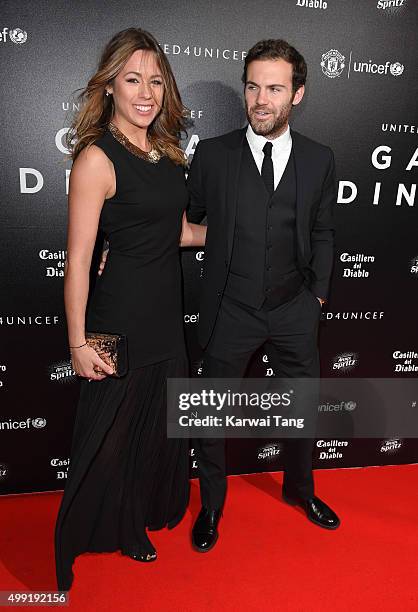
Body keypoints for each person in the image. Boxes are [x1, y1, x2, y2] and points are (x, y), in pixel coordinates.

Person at [55, 27, 205, 591]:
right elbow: (78, 260)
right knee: (111, 433)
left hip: (166, 316)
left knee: (154, 432)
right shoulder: (97, 158)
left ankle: (137, 518)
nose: (146, 92)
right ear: (110, 86)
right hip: (116, 317)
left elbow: (178, 232)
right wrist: (78, 341)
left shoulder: (167, 154)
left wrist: (231, 233)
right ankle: (106, 527)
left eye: (156, 81)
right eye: (133, 79)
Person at [187, 39, 340, 553]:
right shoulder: (213, 154)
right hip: (231, 308)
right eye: (252, 86)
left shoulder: (319, 159)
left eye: (274, 88)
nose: (260, 99)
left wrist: (317, 295)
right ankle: (210, 506)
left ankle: (302, 491)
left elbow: (322, 230)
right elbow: (191, 220)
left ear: (298, 94)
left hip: (295, 307)